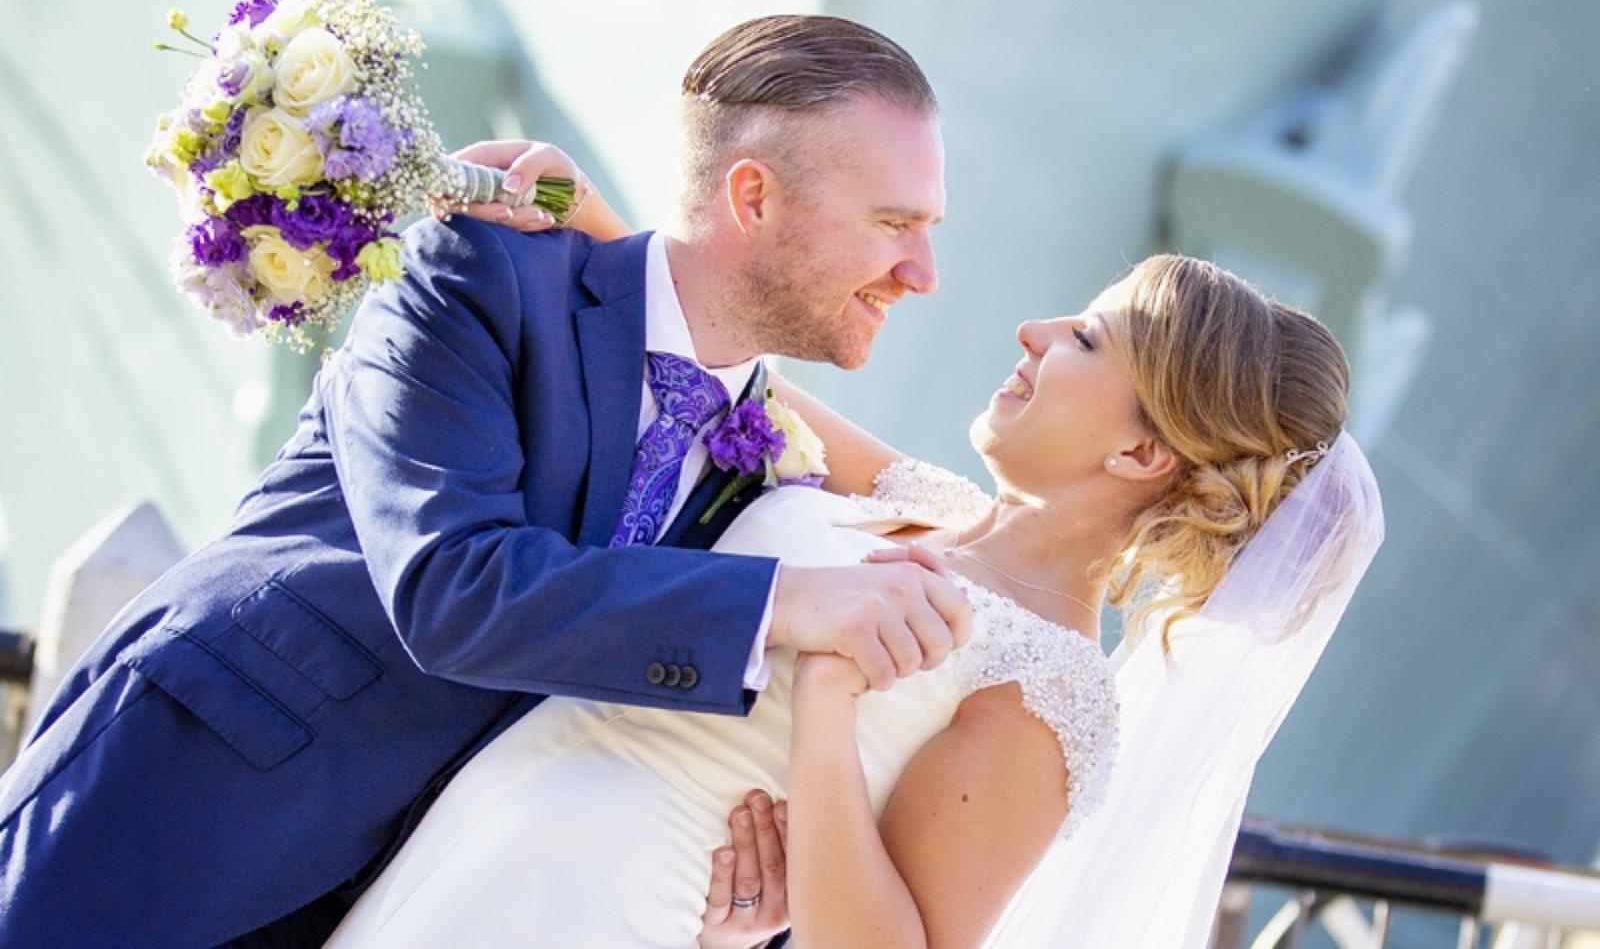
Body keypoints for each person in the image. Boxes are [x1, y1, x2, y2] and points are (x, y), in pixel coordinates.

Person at [0, 15, 973, 947]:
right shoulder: (477, 274)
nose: (922, 271)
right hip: (173, 819)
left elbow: (992, 525)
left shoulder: (767, 457)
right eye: (895, 222)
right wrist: (787, 603)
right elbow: (452, 585)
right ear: (752, 197)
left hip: (398, 905)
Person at [327, 159, 1385, 944]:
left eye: (1087, 340)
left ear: (1139, 448)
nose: (1033, 330)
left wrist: (824, 704)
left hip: (607, 907)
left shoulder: (1051, 690)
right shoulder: (920, 502)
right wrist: (585, 210)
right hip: (482, 828)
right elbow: (734, 376)